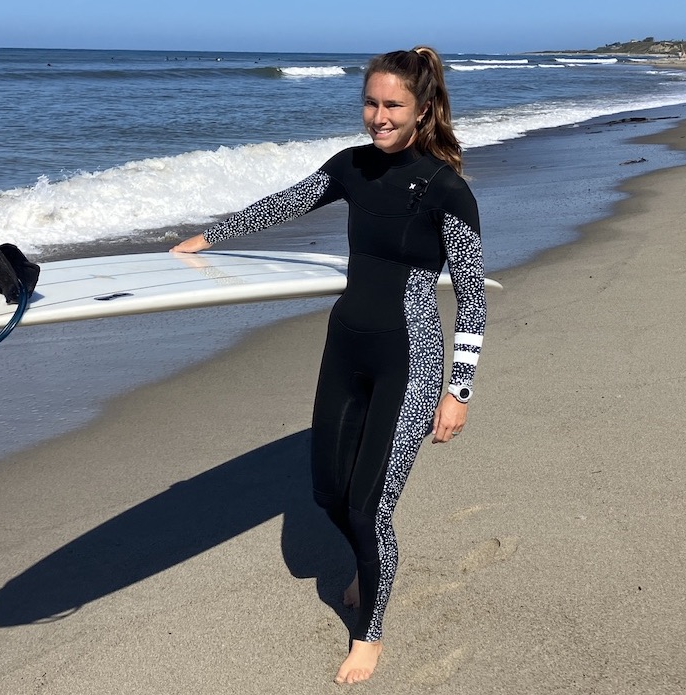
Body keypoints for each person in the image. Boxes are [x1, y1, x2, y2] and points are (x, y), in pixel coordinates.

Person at [171, 46, 486, 684]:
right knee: (327, 494)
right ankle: (367, 568)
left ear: (423, 109)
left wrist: (459, 390)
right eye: (370, 103)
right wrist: (210, 236)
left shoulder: (447, 189)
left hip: (412, 357)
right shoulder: (351, 167)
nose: (377, 116)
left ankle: (369, 631)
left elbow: (473, 297)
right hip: (345, 345)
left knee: (370, 509)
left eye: (392, 105)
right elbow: (287, 203)